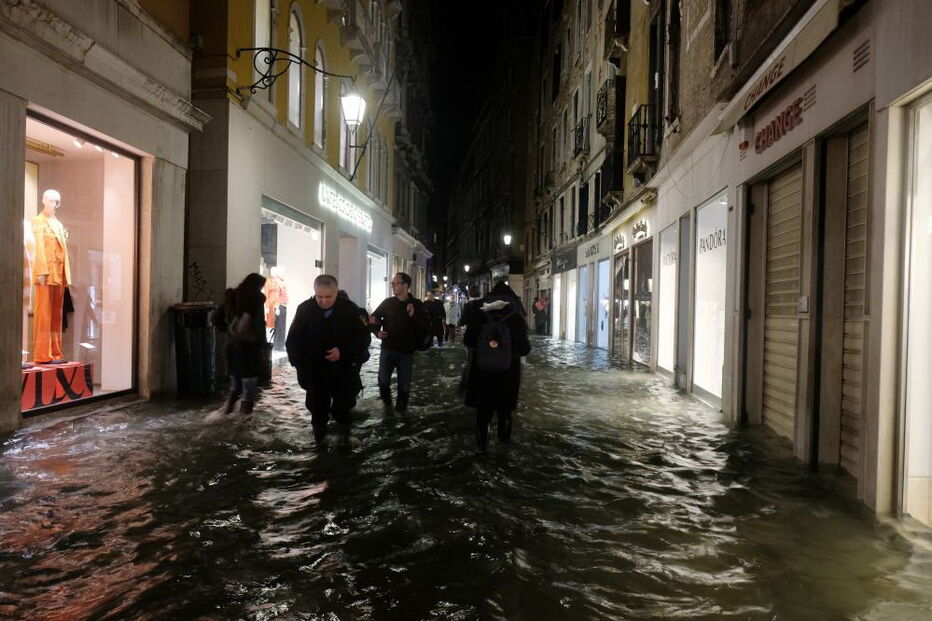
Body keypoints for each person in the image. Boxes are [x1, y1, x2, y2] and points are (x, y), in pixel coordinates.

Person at [286, 275, 372, 444]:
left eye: (328, 297)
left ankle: (344, 443)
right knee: (317, 411)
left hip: (343, 370)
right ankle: (319, 445)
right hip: (314, 371)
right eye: (319, 297)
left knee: (343, 409)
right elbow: (293, 341)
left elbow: (363, 340)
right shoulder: (305, 309)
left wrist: (343, 353)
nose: (323, 301)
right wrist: (300, 367)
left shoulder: (350, 310)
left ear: (336, 292)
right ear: (314, 292)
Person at [463, 282, 531, 452]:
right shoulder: (516, 317)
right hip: (508, 375)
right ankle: (503, 452)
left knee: (483, 414)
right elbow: (524, 349)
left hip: (482, 373)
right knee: (505, 413)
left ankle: (482, 450)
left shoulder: (480, 315)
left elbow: (468, 341)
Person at [369, 272, 429, 412]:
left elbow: (425, 327)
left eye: (395, 283)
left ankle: (401, 416)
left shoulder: (417, 304)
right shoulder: (388, 303)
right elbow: (373, 320)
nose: (392, 286)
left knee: (404, 387)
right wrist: (377, 332)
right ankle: (387, 409)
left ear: (405, 285)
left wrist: (413, 315)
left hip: (406, 352)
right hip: (387, 349)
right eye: (392, 283)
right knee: (383, 382)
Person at [212, 272, 267, 415]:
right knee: (248, 388)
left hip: (230, 347)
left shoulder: (231, 297)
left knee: (235, 385)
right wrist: (263, 346)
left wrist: (228, 331)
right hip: (249, 348)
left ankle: (226, 414)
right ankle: (243, 423)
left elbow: (216, 318)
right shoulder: (256, 299)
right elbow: (259, 326)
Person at [457, 286, 482, 391]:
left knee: (470, 360)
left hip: (470, 337)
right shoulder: (483, 305)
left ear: (470, 294)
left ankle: (465, 383)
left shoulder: (468, 306)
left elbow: (463, 321)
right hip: (482, 337)